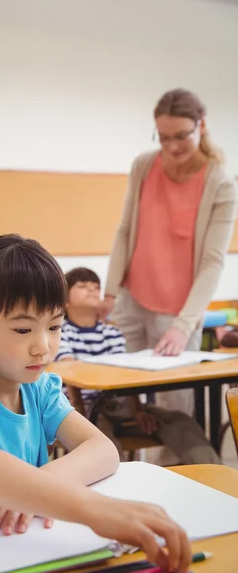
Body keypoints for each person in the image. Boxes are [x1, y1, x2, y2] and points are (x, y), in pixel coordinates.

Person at [0, 234, 190, 573]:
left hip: (13, 548)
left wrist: (36, 488)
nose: (43, 346)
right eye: (22, 330)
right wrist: (94, 509)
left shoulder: (40, 388)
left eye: (55, 326)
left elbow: (102, 449)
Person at [101, 88, 237, 415]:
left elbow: (212, 263)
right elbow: (124, 231)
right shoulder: (144, 166)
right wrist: (109, 292)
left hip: (178, 312)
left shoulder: (220, 184)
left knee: (174, 408)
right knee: (119, 401)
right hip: (132, 301)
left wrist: (183, 325)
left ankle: (180, 467)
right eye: (163, 137)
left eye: (181, 136)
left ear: (201, 126)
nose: (172, 146)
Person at [56, 267, 222, 465]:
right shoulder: (59, 333)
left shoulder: (112, 332)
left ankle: (215, 479)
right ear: (64, 300)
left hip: (121, 403)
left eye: (96, 287)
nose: (92, 290)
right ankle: (116, 491)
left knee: (181, 423)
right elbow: (72, 370)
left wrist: (137, 410)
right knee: (102, 443)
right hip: (82, 407)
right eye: (82, 286)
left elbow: (124, 376)